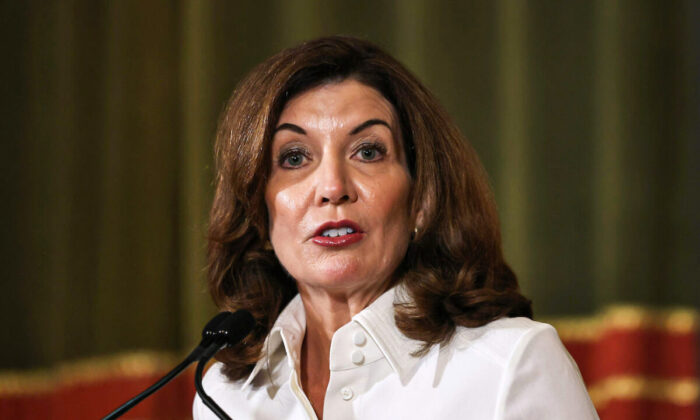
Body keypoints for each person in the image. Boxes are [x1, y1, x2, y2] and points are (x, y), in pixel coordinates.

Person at [194, 36, 598, 420]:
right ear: (258, 209)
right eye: (295, 157)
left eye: (368, 152)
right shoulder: (227, 396)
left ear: (422, 199)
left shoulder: (511, 364)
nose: (333, 187)